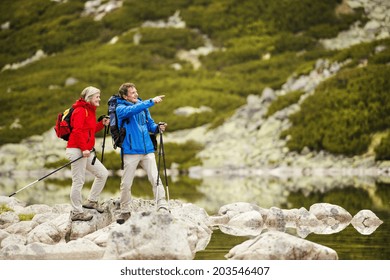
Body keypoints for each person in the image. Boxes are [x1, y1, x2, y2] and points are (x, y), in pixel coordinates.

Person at [115, 82, 169, 224]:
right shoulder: (120, 108)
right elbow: (132, 110)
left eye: (136, 91)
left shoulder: (142, 106)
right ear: (125, 96)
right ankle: (125, 210)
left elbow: (149, 124)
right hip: (131, 150)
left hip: (147, 149)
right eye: (132, 93)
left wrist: (157, 128)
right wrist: (151, 101)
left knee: (155, 177)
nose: (136, 94)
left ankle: (162, 204)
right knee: (126, 183)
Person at [66, 86, 110, 222]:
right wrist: (84, 148)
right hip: (77, 149)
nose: (99, 99)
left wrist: (101, 124)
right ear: (89, 97)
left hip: (85, 150)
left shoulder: (89, 111)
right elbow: (77, 131)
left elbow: (89, 130)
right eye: (97, 96)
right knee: (78, 180)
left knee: (102, 174)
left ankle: (91, 201)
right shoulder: (80, 110)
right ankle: (76, 212)